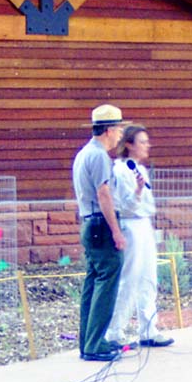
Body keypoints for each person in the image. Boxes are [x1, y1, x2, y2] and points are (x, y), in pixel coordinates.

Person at [104, 125, 174, 349]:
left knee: (148, 277)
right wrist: (137, 192)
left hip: (144, 223)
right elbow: (126, 204)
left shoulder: (140, 169)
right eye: (142, 142)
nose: (147, 146)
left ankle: (149, 329)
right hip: (131, 223)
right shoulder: (120, 170)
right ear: (129, 145)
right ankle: (115, 331)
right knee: (130, 278)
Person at [72, 104, 130, 362]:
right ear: (108, 130)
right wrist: (116, 231)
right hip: (101, 225)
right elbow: (103, 193)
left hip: (90, 222)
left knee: (93, 281)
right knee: (107, 282)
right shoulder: (99, 156)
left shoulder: (84, 153)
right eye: (118, 129)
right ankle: (96, 344)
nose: (120, 135)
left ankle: (89, 341)